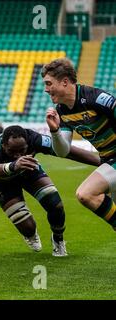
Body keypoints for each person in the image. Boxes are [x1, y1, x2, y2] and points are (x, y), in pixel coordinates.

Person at [0, 125, 100, 256]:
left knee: (56, 205)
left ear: (28, 143)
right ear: (3, 145)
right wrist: (14, 165)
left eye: (22, 150)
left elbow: (66, 150)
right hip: (1, 182)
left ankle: (58, 239)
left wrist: (103, 161)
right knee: (28, 227)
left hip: (28, 170)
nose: (18, 155)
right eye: (12, 151)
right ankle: (30, 235)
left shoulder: (34, 138)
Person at [43, 57, 116, 232]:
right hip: (108, 160)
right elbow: (63, 151)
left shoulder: (96, 98)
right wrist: (55, 131)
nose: (45, 89)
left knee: (86, 193)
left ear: (65, 82)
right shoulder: (62, 111)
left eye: (48, 83)